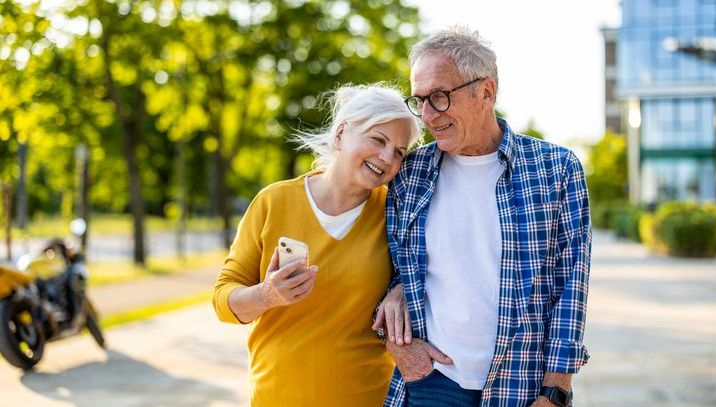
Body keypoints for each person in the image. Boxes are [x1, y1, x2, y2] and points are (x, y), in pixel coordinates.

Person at [379, 26, 591, 407]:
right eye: (419, 100)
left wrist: (555, 391)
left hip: (523, 385)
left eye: (439, 97)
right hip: (431, 381)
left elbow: (570, 286)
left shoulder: (556, 169)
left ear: (486, 92)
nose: (426, 115)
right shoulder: (408, 173)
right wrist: (395, 315)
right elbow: (379, 262)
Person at [213, 83, 422, 406]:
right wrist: (266, 295)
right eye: (378, 140)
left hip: (367, 398)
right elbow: (223, 301)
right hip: (276, 396)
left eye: (399, 151)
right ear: (340, 134)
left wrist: (403, 289)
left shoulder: (397, 215)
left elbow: (433, 274)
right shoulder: (274, 201)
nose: (386, 157)